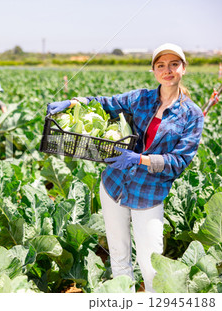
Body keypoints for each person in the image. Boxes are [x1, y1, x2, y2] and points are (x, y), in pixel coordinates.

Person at [47, 43, 204, 292]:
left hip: (148, 193)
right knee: (119, 258)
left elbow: (179, 161)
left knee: (151, 266)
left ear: (183, 68)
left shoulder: (191, 115)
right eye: (161, 65)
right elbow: (105, 103)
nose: (168, 70)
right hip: (114, 186)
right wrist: (74, 103)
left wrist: (138, 159)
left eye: (174, 64)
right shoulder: (141, 98)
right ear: (154, 70)